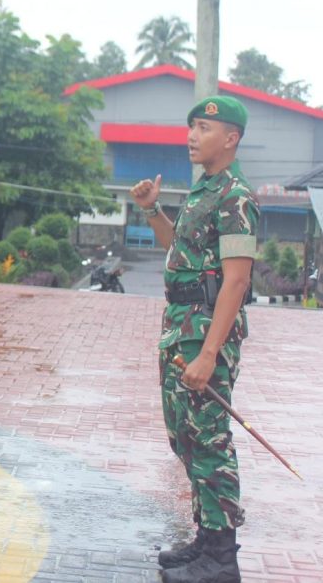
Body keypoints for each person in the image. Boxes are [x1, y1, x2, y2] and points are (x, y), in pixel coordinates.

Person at [129, 95, 258, 583]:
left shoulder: (236, 196)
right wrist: (152, 211)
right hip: (181, 327)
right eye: (191, 126)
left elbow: (236, 281)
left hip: (206, 333)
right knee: (185, 437)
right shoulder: (204, 191)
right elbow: (178, 253)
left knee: (209, 439)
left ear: (231, 138)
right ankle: (206, 539)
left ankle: (222, 559)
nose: (192, 136)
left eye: (204, 127)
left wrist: (208, 354)